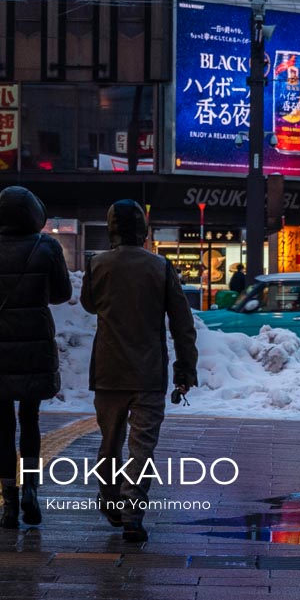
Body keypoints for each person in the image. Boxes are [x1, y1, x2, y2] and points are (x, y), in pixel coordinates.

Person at [80, 199, 198, 544]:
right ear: (143, 231)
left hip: (108, 370)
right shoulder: (160, 267)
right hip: (148, 373)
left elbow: (89, 304)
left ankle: (109, 498)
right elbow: (182, 323)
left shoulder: (97, 265)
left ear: (111, 229)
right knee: (141, 447)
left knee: (110, 442)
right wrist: (184, 368)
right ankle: (134, 513)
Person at [0, 186, 72, 529]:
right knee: (32, 421)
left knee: (4, 424)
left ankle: (8, 501)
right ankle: (31, 492)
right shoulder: (47, 246)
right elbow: (63, 293)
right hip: (35, 343)